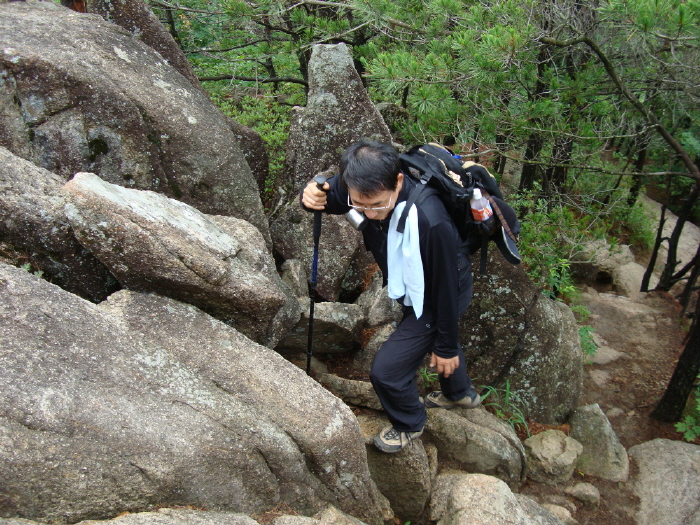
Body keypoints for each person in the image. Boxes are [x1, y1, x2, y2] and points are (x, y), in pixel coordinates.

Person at [301, 139, 481, 453]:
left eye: (377, 204)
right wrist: (310, 196)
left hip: (441, 294)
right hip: (411, 286)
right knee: (434, 340)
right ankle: (460, 393)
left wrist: (447, 345)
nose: (369, 214)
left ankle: (410, 422)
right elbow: (327, 198)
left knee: (385, 372)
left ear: (397, 181)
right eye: (360, 205)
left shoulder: (431, 219)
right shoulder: (357, 189)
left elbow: (446, 290)